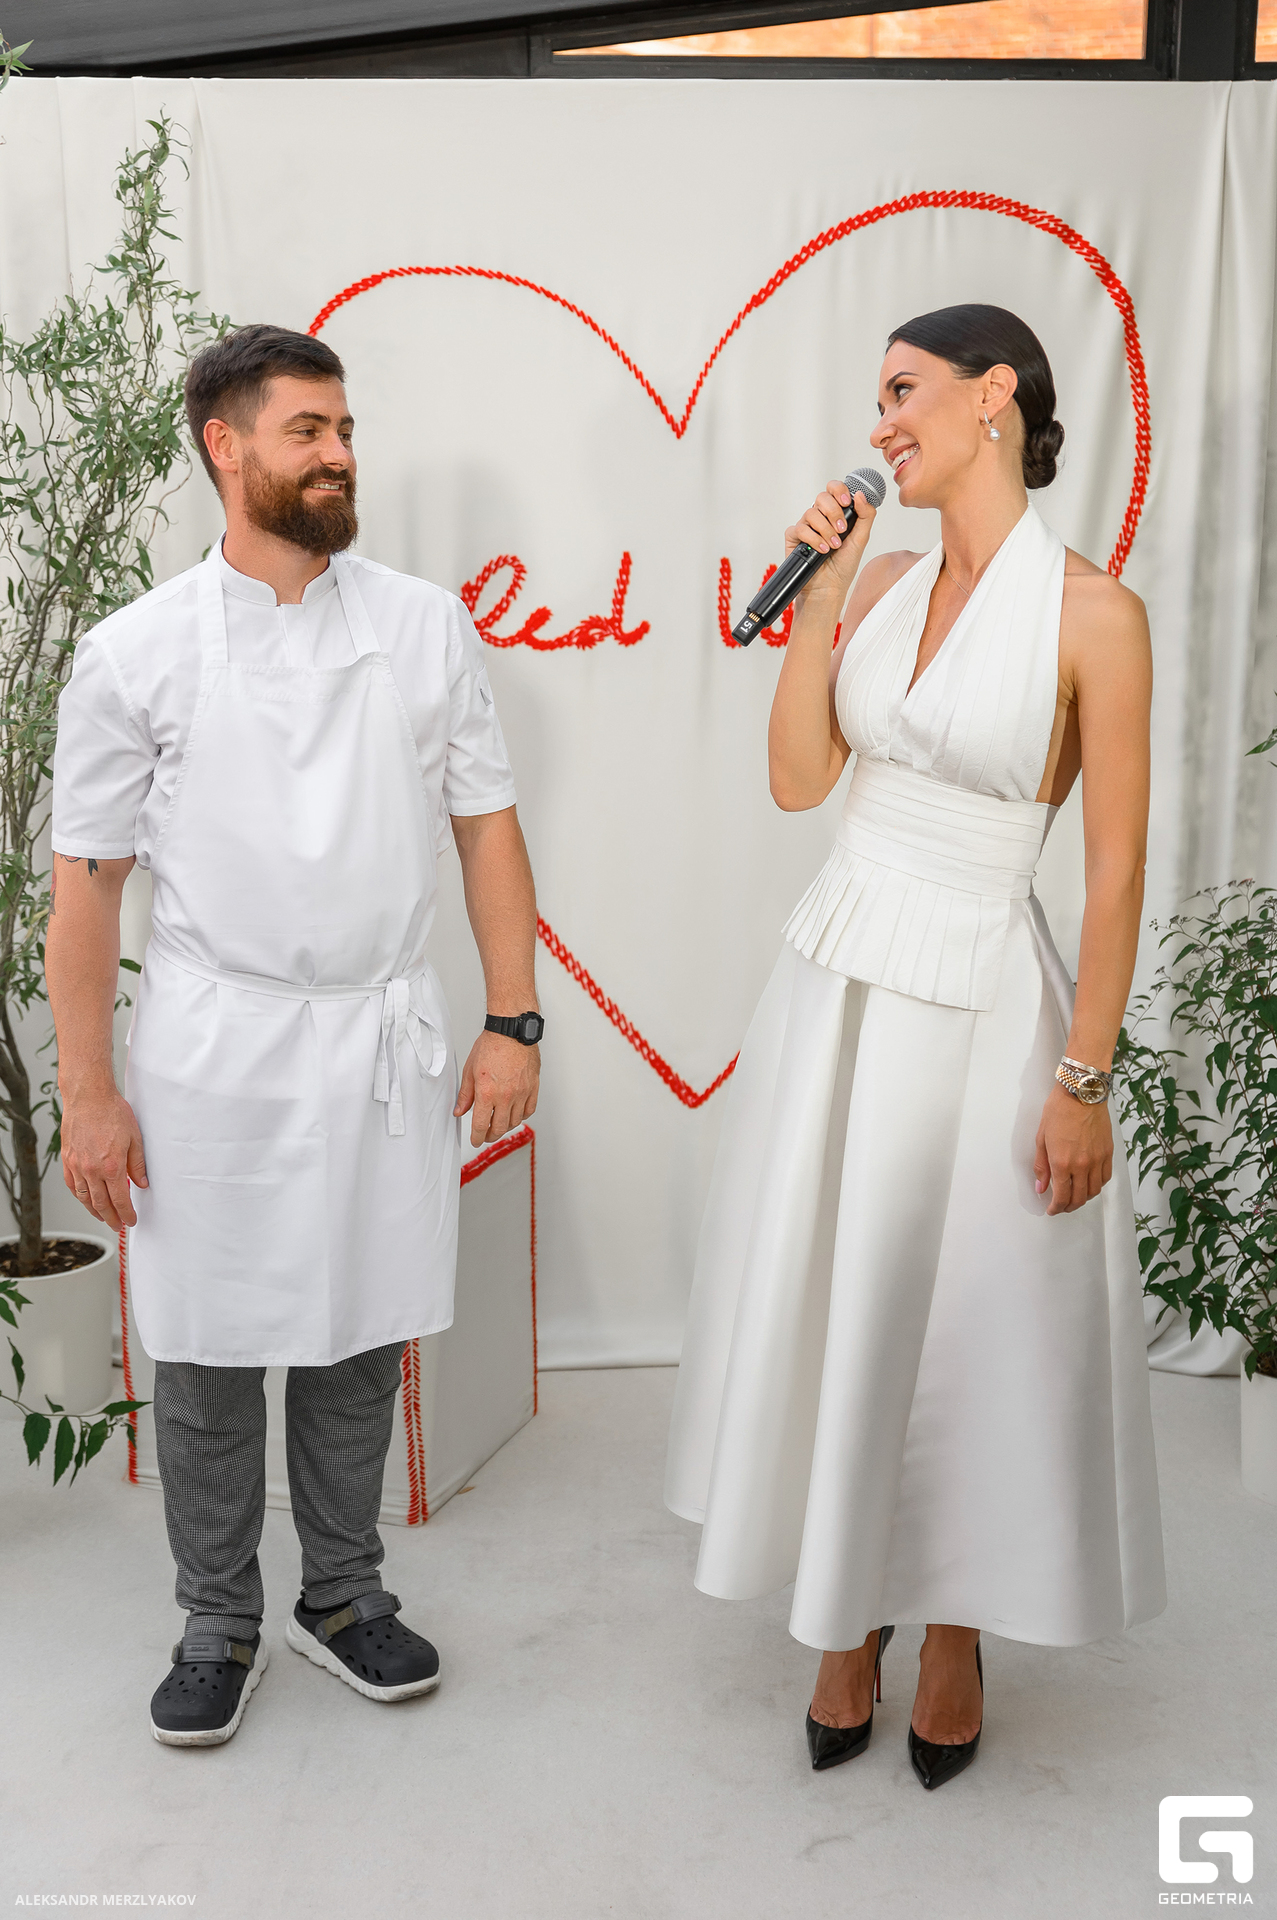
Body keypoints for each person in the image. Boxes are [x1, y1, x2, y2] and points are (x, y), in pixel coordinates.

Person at [665, 305, 1166, 1790]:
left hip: (984, 997)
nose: (880, 421)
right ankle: (848, 1611)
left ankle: (951, 1627)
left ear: (993, 394)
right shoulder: (876, 579)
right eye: (874, 397)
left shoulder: (1096, 616)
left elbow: (1117, 873)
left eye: (903, 389)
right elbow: (795, 778)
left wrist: (1083, 1079)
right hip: (838, 978)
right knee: (842, 1291)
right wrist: (819, 588)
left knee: (963, 1318)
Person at [46, 324, 543, 1748]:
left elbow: (487, 831)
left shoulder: (422, 625)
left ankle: (343, 1594)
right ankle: (216, 1618)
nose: (339, 456)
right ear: (227, 446)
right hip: (213, 1048)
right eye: (307, 432)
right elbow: (86, 895)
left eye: (344, 430)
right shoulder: (135, 652)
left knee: (357, 1329)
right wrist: (89, 1093)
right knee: (207, 1348)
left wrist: (512, 1021)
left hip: (382, 1033)